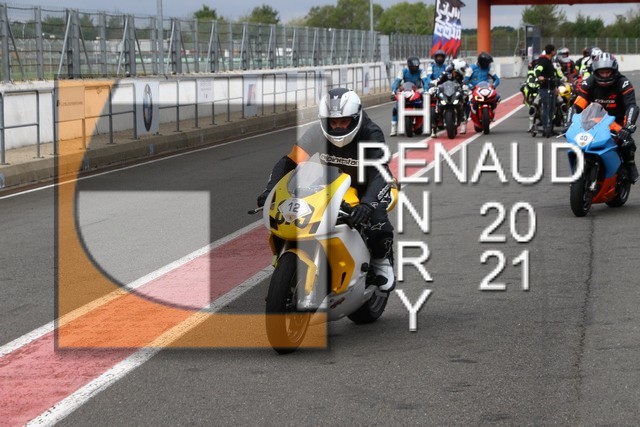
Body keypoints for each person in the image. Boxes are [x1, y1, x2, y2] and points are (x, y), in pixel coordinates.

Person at [257, 88, 396, 291]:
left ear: (355, 118)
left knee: (376, 218)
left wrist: (367, 204)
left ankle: (381, 261)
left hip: (370, 183)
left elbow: (379, 172)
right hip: (332, 183)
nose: (338, 127)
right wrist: (270, 190)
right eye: (333, 122)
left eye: (344, 121)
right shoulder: (316, 132)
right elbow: (289, 162)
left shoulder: (370, 133)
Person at [570, 53, 639, 183]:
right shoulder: (588, 82)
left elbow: (631, 106)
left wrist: (628, 125)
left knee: (627, 143)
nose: (605, 75)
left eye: (608, 72)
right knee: (576, 142)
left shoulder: (623, 83)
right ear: (596, 71)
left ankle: (630, 165)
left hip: (616, 123)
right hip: (592, 122)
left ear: (614, 70)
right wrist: (570, 122)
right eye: (602, 72)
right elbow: (577, 105)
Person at [390, 56, 428, 136]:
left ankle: (423, 123)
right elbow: (397, 81)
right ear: (409, 66)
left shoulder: (421, 71)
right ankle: (394, 127)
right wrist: (393, 91)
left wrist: (426, 90)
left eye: (416, 66)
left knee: (425, 105)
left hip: (417, 91)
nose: (415, 68)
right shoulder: (403, 71)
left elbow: (425, 81)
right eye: (413, 67)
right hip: (405, 91)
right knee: (396, 108)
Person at [534, 44, 565, 138]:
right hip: (545, 88)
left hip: (551, 88)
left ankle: (550, 128)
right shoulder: (543, 61)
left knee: (552, 109)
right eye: (554, 50)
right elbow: (538, 70)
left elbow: (552, 76)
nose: (554, 52)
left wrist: (555, 87)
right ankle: (545, 128)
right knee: (546, 109)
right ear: (552, 51)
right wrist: (539, 76)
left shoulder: (549, 61)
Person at [433, 59, 470, 135]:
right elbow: (437, 81)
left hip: (455, 94)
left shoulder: (461, 76)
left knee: (466, 101)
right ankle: (433, 127)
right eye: (462, 69)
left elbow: (464, 84)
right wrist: (433, 84)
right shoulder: (445, 74)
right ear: (457, 68)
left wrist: (465, 88)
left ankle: (463, 121)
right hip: (445, 94)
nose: (464, 70)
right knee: (436, 105)